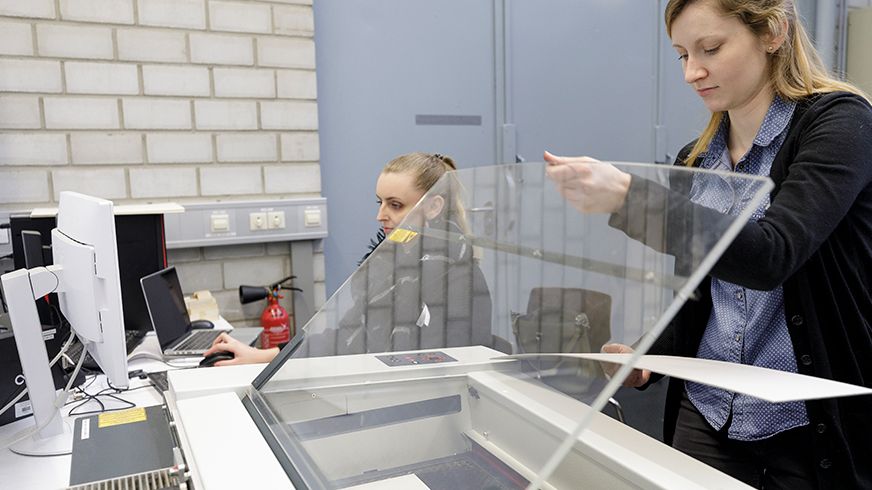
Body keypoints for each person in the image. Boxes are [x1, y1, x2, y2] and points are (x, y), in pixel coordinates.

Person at [545, 1, 872, 488]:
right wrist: (648, 354)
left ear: (773, 32)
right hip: (709, 409)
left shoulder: (840, 124)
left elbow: (770, 255)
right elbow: (702, 293)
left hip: (804, 418)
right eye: (681, 55)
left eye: (711, 49)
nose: (691, 73)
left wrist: (630, 198)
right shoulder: (696, 160)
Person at [205, 152, 493, 364]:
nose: (380, 215)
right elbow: (346, 335)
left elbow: (440, 372)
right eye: (379, 202)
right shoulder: (389, 264)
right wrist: (262, 357)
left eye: (395, 205)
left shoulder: (459, 278)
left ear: (433, 208)